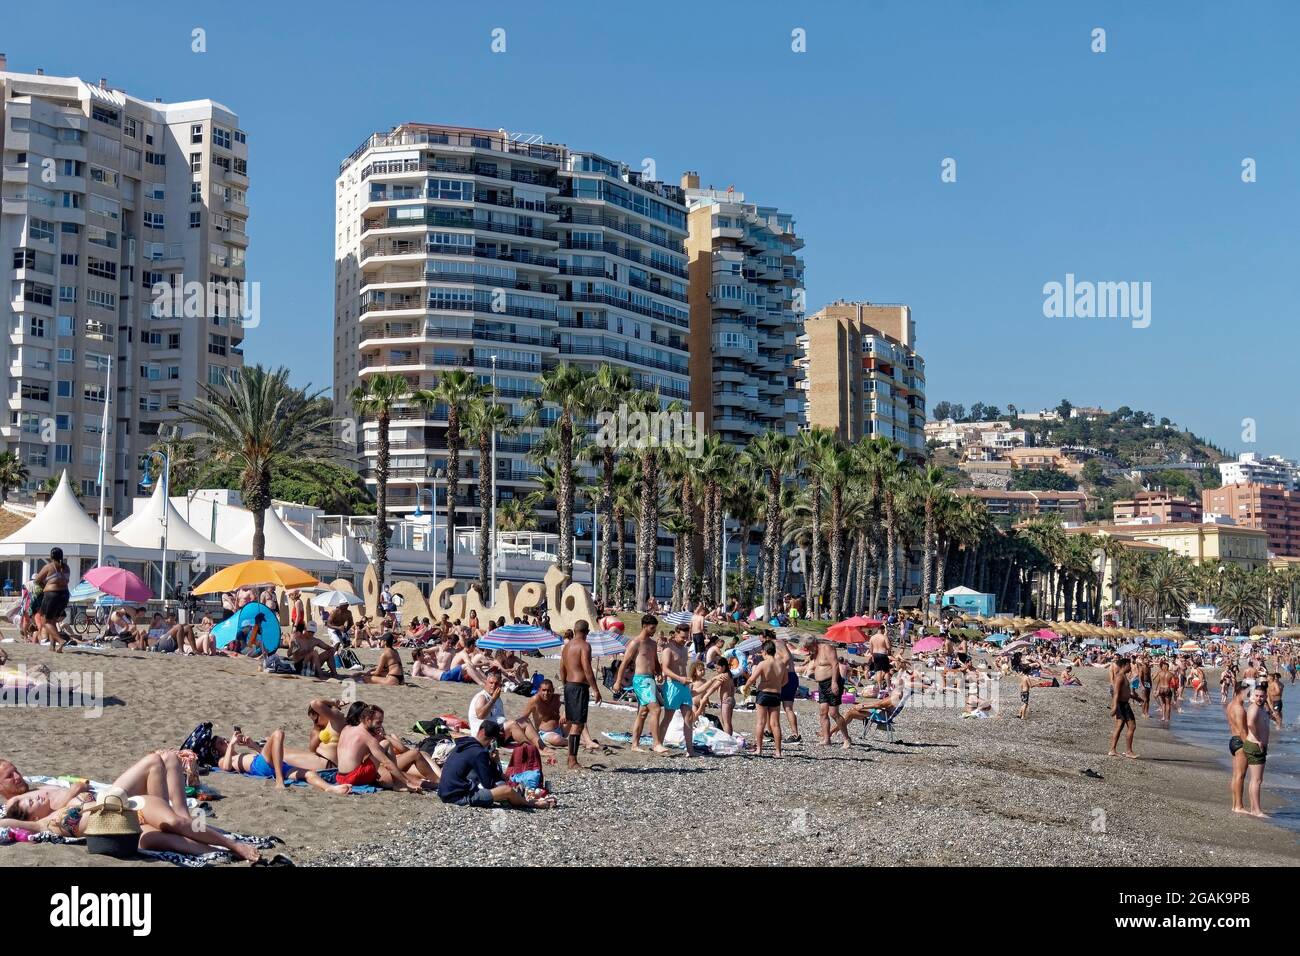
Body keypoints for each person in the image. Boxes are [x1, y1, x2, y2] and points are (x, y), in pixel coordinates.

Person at [437, 720, 555, 809]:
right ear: (492, 740)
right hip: (458, 797)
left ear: (480, 730)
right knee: (507, 790)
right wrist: (493, 763)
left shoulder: (465, 743)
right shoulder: (479, 753)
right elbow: (488, 784)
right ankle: (530, 804)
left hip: (444, 791)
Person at [214, 727, 352, 794]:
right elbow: (225, 768)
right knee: (278, 733)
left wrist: (253, 746)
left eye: (225, 739)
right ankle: (280, 781)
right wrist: (231, 744)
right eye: (222, 743)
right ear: (216, 752)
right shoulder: (223, 760)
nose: (225, 741)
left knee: (309, 774)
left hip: (273, 765)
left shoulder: (238, 754)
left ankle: (329, 788)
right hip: (261, 766)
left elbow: (269, 756)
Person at [335, 703, 426, 792]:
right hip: (353, 779)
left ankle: (398, 782)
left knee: (384, 744)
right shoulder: (367, 737)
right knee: (386, 744)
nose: (380, 725)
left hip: (340, 777)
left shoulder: (346, 728)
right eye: (378, 722)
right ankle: (398, 783)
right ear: (368, 719)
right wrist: (407, 782)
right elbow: (386, 763)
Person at [611, 615, 664, 753]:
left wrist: (659, 673)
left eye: (655, 628)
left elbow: (655, 662)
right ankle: (656, 743)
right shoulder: (635, 642)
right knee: (656, 709)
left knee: (643, 712)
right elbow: (624, 663)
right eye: (652, 628)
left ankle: (635, 744)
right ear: (644, 626)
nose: (654, 631)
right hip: (640, 681)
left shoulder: (653, 644)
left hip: (650, 679)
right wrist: (617, 681)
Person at [557, 619, 603, 769]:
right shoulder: (585, 646)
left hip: (569, 685)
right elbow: (587, 669)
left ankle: (572, 759)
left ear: (574, 630)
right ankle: (572, 761)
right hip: (579, 687)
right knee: (577, 725)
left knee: (575, 724)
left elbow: (562, 669)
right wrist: (595, 689)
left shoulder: (566, 647)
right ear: (587, 632)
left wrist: (565, 685)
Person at [743, 640, 787, 758]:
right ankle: (778, 752)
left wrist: (745, 688)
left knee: (761, 722)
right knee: (775, 724)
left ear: (766, 651)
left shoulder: (763, 664)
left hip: (763, 693)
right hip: (776, 694)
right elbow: (785, 680)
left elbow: (752, 679)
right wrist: (778, 685)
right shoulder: (781, 664)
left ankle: (759, 749)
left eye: (762, 651)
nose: (761, 653)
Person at [657, 624, 696, 757]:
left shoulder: (685, 649)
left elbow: (684, 667)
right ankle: (659, 745)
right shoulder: (668, 649)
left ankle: (690, 750)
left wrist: (687, 680)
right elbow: (665, 669)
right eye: (683, 637)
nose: (685, 639)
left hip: (684, 685)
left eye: (687, 637)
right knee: (668, 717)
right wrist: (680, 678)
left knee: (689, 717)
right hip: (672, 684)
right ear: (675, 634)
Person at [812, 636, 851, 749]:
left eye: (809, 647)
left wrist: (834, 682)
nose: (808, 650)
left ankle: (846, 738)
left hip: (832, 682)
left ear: (813, 644)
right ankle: (826, 738)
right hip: (822, 685)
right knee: (823, 712)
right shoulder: (814, 652)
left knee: (833, 713)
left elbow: (835, 664)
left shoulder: (827, 648)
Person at [32, 547, 71, 652]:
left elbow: (37, 580)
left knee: (45, 621)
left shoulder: (49, 566)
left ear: (51, 556)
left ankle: (60, 640)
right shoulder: (66, 567)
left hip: (52, 594)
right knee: (53, 621)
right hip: (65, 595)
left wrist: (45, 585)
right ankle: (52, 647)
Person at [1243, 683, 1270, 817]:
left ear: (1266, 696)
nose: (1259, 698)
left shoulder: (1262, 708)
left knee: (1255, 780)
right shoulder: (1254, 708)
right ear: (1254, 696)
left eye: (1261, 696)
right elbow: (1249, 723)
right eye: (1257, 696)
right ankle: (1257, 811)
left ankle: (1254, 808)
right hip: (1254, 746)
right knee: (1257, 780)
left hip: (1257, 746)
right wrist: (1259, 739)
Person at [1225, 680, 1249, 814]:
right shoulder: (1239, 709)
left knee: (1236, 775)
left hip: (1233, 740)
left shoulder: (1230, 705)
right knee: (1240, 775)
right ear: (1241, 692)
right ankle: (1239, 806)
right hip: (1240, 742)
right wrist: (1249, 747)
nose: (1248, 695)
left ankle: (1235, 805)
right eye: (1247, 692)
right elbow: (1242, 731)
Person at [1107, 657, 1138, 759]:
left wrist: (1138, 699)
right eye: (1129, 665)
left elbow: (1126, 692)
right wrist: (1115, 706)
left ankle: (1114, 750)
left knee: (1124, 726)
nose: (1130, 667)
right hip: (1121, 704)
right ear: (1124, 665)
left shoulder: (1123, 676)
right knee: (1126, 726)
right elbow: (1116, 693)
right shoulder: (1120, 677)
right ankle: (1126, 751)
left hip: (1124, 704)